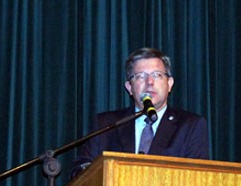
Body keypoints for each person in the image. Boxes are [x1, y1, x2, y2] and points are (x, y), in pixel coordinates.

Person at [70, 47, 209, 178]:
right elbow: (80, 171)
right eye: (141, 76)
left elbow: (196, 179)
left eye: (157, 75)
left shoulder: (191, 126)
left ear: (170, 84)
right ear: (129, 87)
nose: (150, 82)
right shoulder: (105, 125)